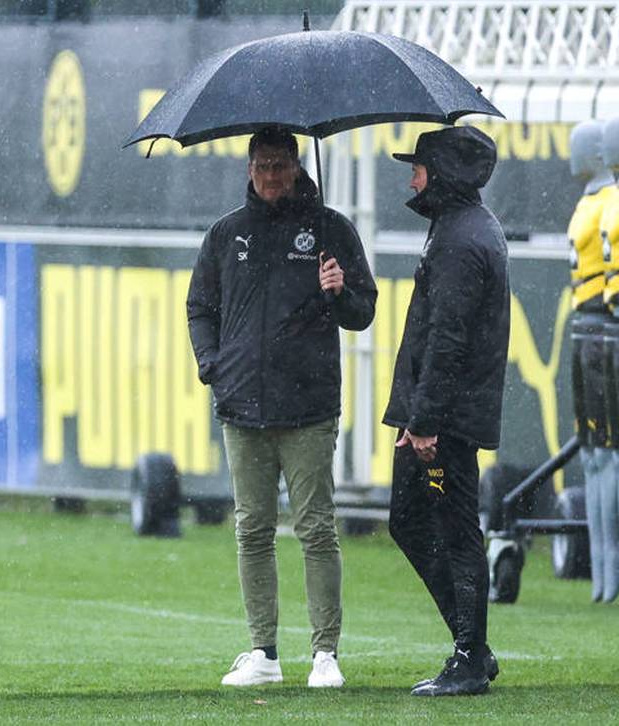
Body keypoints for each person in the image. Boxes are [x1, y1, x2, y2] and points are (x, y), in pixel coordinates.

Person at [186, 126, 377, 689]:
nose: (272, 175)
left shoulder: (330, 230)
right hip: (241, 405)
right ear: (249, 168)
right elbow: (199, 306)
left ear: (297, 165)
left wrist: (339, 290)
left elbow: (363, 311)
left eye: (281, 165)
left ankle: (325, 655)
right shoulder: (227, 235)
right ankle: (263, 652)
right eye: (263, 165)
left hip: (310, 406)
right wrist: (210, 363)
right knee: (252, 530)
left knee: (316, 529)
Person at [384, 126, 510, 697]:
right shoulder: (461, 227)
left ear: (444, 173)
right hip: (438, 411)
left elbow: (448, 338)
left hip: (445, 418)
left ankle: (468, 656)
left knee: (457, 532)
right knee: (408, 519)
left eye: (419, 167)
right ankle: (472, 647)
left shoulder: (461, 239)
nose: (412, 178)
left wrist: (426, 421)